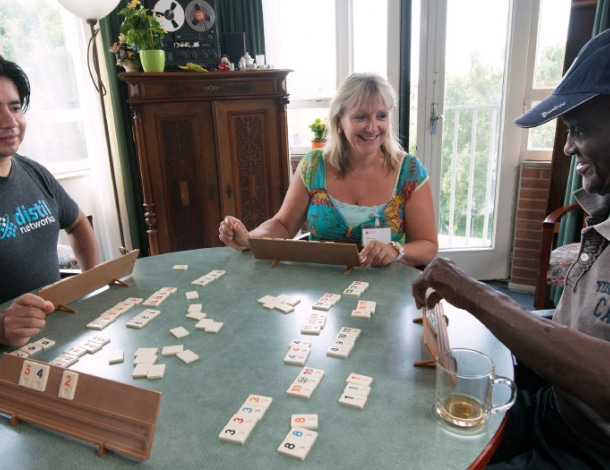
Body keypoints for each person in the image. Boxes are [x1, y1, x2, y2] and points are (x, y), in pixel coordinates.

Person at [412, 29, 610, 468]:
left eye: (578, 129)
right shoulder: (604, 209)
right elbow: (562, 328)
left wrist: (474, 293)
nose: (567, 146)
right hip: (552, 409)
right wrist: (482, 310)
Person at [219, 73, 438, 268]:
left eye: (381, 116)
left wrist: (396, 250)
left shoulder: (409, 171)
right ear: (339, 121)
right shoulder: (313, 165)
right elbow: (284, 224)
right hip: (321, 293)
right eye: (360, 117)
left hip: (387, 290)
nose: (372, 127)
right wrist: (250, 238)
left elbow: (428, 245)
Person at [0, 55, 98, 347]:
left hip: (56, 336)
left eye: (15, 108)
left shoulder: (33, 171)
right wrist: (3, 328)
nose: (10, 121)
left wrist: (88, 281)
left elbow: (78, 222)